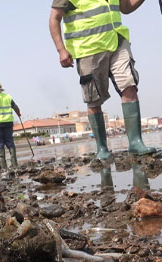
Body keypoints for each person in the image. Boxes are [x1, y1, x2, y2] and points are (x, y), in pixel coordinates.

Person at [49, 0, 153, 160]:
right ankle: (102, 148)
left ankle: (135, 143)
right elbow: (54, 18)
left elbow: (125, 7)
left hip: (117, 42)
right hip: (88, 48)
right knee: (94, 100)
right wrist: (61, 50)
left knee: (129, 84)